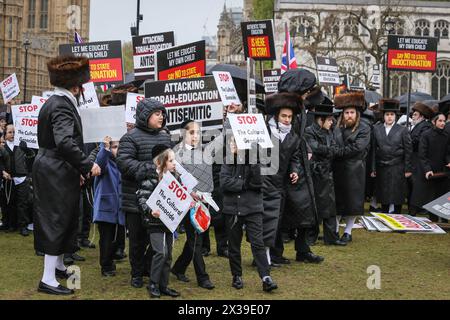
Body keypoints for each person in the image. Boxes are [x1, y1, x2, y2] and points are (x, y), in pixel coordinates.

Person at [33, 55, 101, 295]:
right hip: (55, 169)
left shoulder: (54, 101)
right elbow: (64, 142)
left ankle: (59, 266)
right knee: (57, 219)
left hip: (57, 168)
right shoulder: (62, 105)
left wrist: (76, 170)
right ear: (76, 86)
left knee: (66, 217)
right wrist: (86, 165)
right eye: (82, 86)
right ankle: (47, 279)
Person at [116, 98, 172, 289]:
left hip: (160, 199)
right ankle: (137, 273)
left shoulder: (165, 137)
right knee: (137, 240)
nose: (161, 117)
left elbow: (170, 162)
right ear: (145, 116)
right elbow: (123, 163)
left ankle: (150, 268)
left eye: (162, 114)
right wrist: (149, 168)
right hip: (135, 199)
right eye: (157, 114)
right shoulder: (129, 137)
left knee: (156, 238)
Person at [220, 137, 278, 292]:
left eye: (235, 142)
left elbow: (259, 182)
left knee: (258, 243)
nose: (233, 145)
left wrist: (252, 161)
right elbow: (224, 183)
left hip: (253, 207)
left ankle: (266, 277)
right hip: (233, 209)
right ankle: (236, 276)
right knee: (234, 245)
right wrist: (244, 185)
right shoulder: (227, 161)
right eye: (231, 142)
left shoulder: (256, 160)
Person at [171, 120, 215, 290]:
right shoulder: (176, 153)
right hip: (187, 202)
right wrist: (189, 193)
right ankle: (203, 278)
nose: (196, 136)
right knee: (196, 239)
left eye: (198, 132)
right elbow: (174, 179)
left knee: (196, 237)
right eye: (191, 132)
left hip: (205, 200)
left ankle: (179, 267)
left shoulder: (204, 150)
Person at [136, 145, 181, 298]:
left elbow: (179, 198)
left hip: (169, 222)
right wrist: (150, 210)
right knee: (161, 253)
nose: (174, 163)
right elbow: (142, 197)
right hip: (155, 223)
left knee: (168, 256)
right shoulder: (150, 177)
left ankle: (163, 285)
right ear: (160, 162)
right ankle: (153, 284)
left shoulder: (174, 178)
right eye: (171, 160)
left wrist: (189, 202)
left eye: (174, 160)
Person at [305, 103, 347, 246]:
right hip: (314, 173)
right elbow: (314, 148)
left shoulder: (329, 132)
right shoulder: (309, 131)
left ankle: (331, 237)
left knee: (329, 206)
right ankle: (310, 236)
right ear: (321, 119)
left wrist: (328, 150)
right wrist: (329, 150)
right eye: (329, 119)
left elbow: (334, 148)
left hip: (326, 173)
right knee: (313, 206)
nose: (332, 122)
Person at [333, 91, 371, 243]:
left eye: (352, 112)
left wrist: (338, 151)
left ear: (357, 114)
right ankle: (334, 230)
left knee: (352, 203)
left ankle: (348, 231)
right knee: (336, 202)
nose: (349, 115)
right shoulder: (336, 126)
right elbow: (331, 143)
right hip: (336, 169)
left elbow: (358, 148)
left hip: (355, 170)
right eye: (346, 112)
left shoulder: (364, 128)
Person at [371, 99, 412, 214]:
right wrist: (373, 168)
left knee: (397, 194)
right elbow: (373, 149)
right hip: (382, 166)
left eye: (392, 115)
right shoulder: (376, 129)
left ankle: (397, 216)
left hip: (397, 167)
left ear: (396, 116)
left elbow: (409, 150)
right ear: (383, 116)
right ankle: (385, 215)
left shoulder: (402, 130)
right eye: (387, 114)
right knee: (384, 194)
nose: (389, 117)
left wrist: (408, 169)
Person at [93, 136, 125, 277]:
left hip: (119, 208)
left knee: (117, 238)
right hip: (105, 207)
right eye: (114, 147)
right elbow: (99, 165)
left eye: (118, 147)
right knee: (106, 238)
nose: (116, 150)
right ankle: (105, 266)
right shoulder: (104, 161)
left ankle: (111, 260)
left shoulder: (123, 163)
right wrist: (104, 148)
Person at [413, 113, 450, 221]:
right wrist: (427, 170)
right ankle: (414, 215)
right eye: (440, 121)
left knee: (440, 197)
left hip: (441, 172)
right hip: (427, 171)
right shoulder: (426, 134)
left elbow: (448, 152)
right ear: (434, 122)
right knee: (422, 196)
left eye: (444, 121)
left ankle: (443, 219)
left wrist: (448, 161)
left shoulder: (447, 135)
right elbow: (422, 155)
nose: (443, 123)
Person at [0, 125, 35, 236]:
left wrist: (27, 150)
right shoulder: (2, 147)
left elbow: (32, 157)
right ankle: (10, 224)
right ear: (5, 134)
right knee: (8, 203)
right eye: (10, 132)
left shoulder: (21, 145)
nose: (13, 134)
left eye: (14, 132)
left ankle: (23, 226)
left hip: (22, 178)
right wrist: (2, 172)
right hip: (8, 180)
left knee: (22, 204)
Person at [409, 103, 434, 215]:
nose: (413, 117)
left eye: (415, 115)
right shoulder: (418, 125)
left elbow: (420, 142)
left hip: (419, 159)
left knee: (419, 184)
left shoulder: (425, 126)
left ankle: (421, 207)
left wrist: (409, 141)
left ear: (422, 116)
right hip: (414, 159)